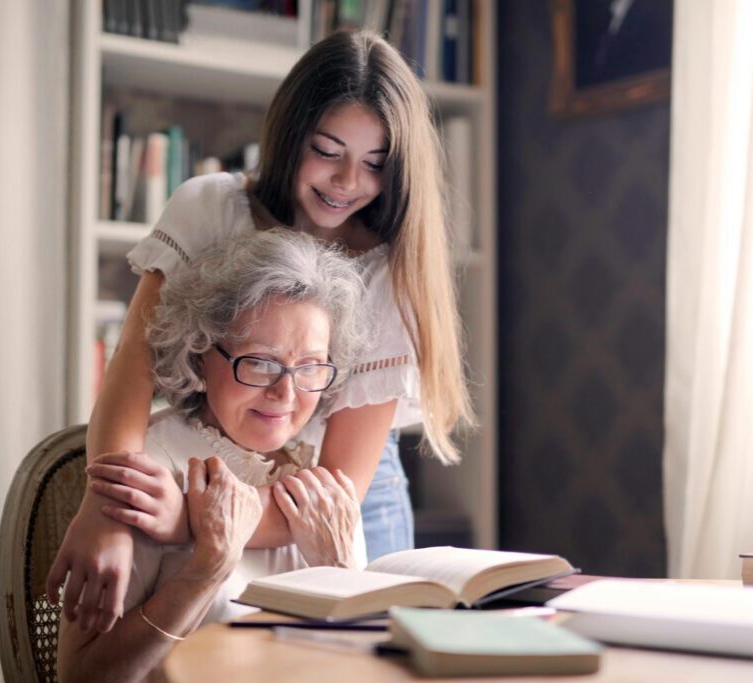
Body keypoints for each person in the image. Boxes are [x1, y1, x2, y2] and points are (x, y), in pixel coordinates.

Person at [48, 29, 477, 633]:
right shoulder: (210, 208)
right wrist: (106, 510)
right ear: (289, 135)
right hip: (209, 462)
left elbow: (341, 487)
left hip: (339, 496)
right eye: (327, 150)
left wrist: (184, 521)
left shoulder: (388, 269)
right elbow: (132, 372)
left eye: (375, 164)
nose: (346, 181)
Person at [56, 230, 366, 682]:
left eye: (310, 367)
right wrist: (204, 573)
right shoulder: (149, 470)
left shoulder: (323, 484)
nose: (286, 392)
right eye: (260, 361)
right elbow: (82, 677)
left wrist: (340, 572)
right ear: (200, 354)